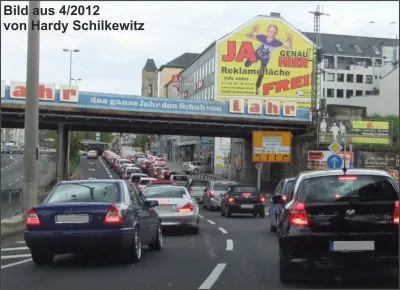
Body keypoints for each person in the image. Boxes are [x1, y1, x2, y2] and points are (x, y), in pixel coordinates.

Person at [245, 24, 293, 95]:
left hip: (265, 59)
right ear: (267, 32)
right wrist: (253, 31)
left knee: (261, 74)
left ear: (276, 34)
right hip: (257, 54)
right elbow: (247, 36)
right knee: (246, 65)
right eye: (271, 32)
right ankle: (254, 61)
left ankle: (257, 88)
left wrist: (290, 40)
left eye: (274, 32)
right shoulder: (262, 37)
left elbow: (289, 47)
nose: (272, 34)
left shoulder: (276, 42)